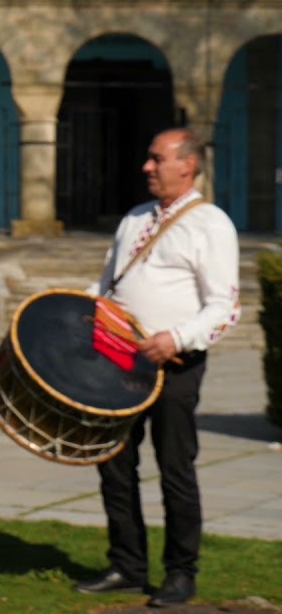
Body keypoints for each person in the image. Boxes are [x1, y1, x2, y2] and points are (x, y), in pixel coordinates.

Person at [74, 128, 239, 608]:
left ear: (186, 165)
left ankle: (181, 574)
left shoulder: (211, 225)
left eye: (156, 158)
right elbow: (107, 286)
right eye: (148, 159)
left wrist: (176, 339)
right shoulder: (133, 218)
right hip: (119, 360)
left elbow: (224, 307)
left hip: (176, 366)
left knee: (175, 470)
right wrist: (68, 310)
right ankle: (127, 564)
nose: (146, 167)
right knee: (114, 465)